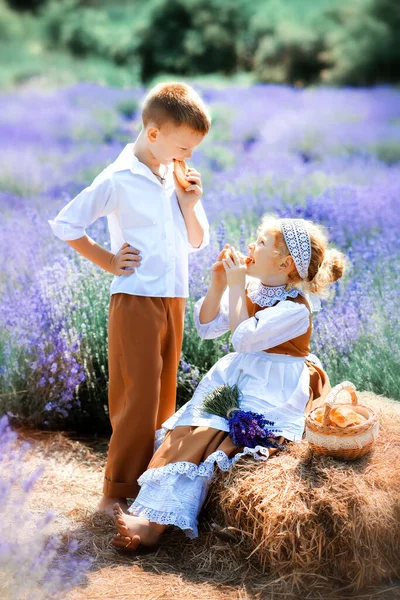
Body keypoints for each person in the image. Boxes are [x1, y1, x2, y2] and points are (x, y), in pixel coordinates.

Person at [111, 215, 346, 550]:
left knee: (216, 440)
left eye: (261, 243)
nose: (251, 245)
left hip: (273, 384)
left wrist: (237, 287)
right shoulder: (255, 289)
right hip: (240, 373)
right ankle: (149, 516)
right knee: (192, 430)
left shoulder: (297, 310)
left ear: (285, 263)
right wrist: (220, 284)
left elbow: (244, 339)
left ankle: (154, 527)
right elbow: (208, 327)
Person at [48, 82, 211, 517]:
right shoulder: (117, 178)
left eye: (193, 148)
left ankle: (148, 488)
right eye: (183, 146)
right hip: (135, 298)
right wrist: (106, 259)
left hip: (172, 298)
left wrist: (190, 202)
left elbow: (197, 242)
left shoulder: (174, 177)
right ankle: (111, 495)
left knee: (162, 401)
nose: (188, 156)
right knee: (135, 399)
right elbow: (66, 224)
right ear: (154, 134)